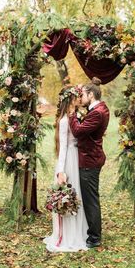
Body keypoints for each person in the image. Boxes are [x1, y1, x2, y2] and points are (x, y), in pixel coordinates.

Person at [44, 86, 88, 252]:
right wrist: (60, 171)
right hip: (69, 159)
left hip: (78, 157)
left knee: (79, 195)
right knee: (70, 194)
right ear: (70, 99)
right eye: (76, 96)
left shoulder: (75, 116)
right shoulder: (64, 121)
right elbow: (63, 147)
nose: (79, 99)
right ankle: (68, 235)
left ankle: (80, 232)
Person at [68, 77, 110, 248]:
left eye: (83, 95)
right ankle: (92, 232)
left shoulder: (97, 113)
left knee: (90, 199)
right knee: (91, 197)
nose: (81, 98)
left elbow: (78, 131)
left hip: (90, 160)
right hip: (91, 157)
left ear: (91, 95)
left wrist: (71, 114)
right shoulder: (99, 109)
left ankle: (94, 237)